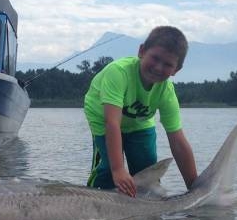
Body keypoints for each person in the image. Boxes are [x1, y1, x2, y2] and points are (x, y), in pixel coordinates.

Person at [83, 26, 198, 197]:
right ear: (142, 51)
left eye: (167, 64)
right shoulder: (119, 72)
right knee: (107, 171)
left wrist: (195, 189)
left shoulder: (166, 92)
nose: (159, 68)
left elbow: (178, 142)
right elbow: (112, 123)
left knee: (146, 172)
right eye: (155, 58)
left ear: (176, 70)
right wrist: (118, 169)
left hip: (139, 122)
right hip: (102, 117)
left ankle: (146, 218)